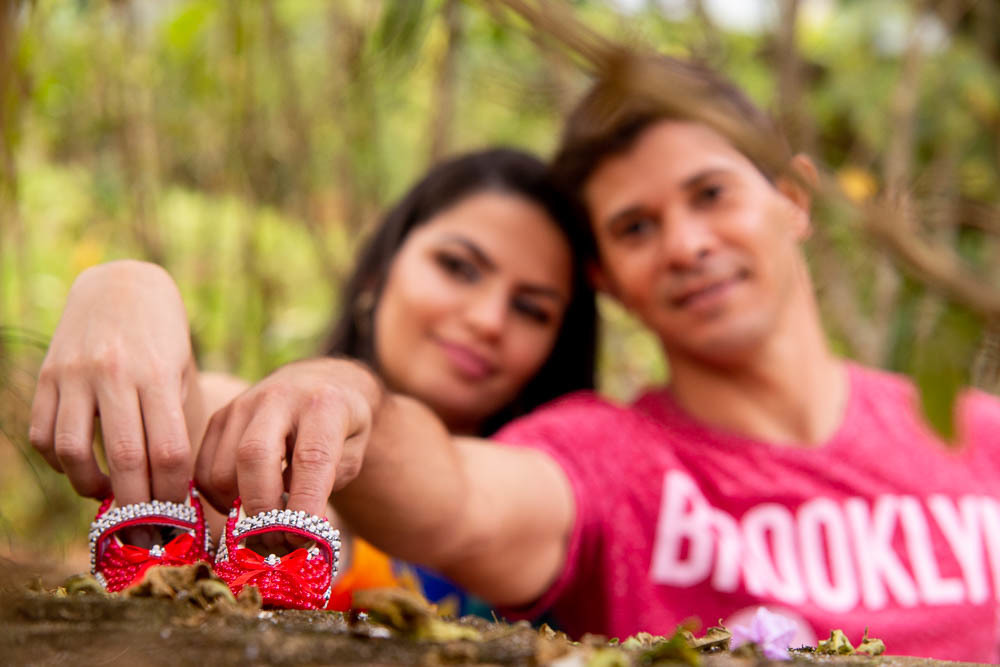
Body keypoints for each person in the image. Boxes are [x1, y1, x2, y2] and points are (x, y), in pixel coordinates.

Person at [191, 54, 1000, 662]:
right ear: (606, 277)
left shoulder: (983, 436)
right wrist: (342, 389)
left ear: (793, 199)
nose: (686, 244)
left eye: (711, 193)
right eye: (635, 227)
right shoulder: (605, 461)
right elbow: (454, 497)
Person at [28, 147, 597, 611]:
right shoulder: (253, 438)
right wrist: (128, 286)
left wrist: (359, 395)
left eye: (532, 309)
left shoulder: (552, 495)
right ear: (378, 270)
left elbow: (457, 496)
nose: (488, 319)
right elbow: (201, 428)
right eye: (458, 267)